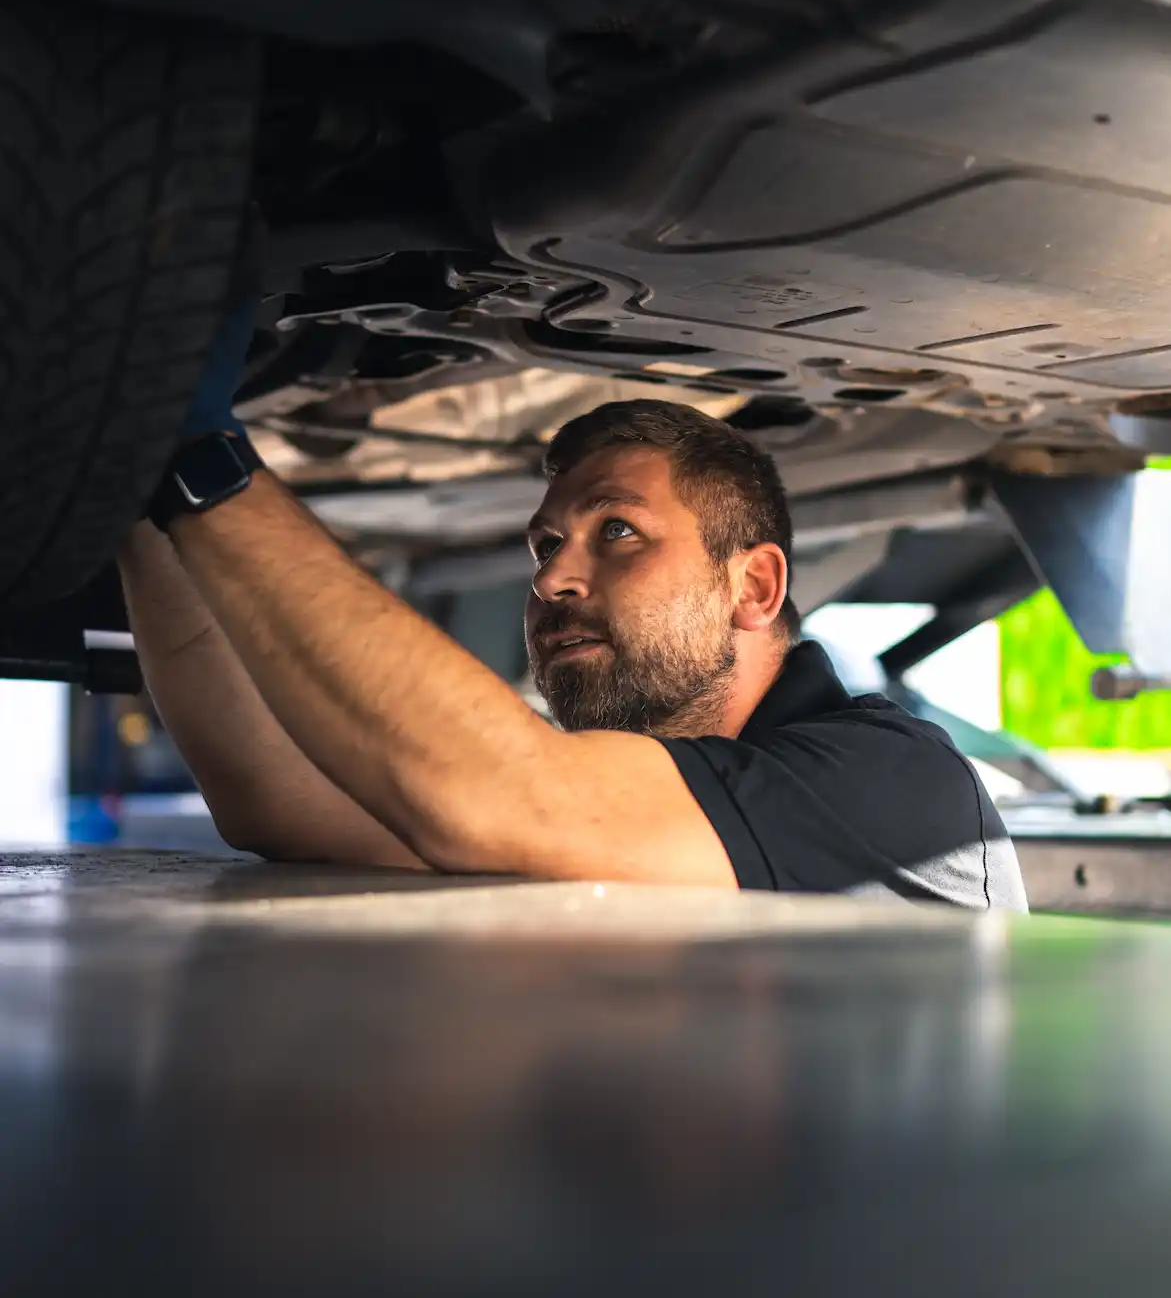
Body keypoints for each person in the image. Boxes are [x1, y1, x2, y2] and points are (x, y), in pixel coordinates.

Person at [119, 301, 1026, 907]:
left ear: (753, 586)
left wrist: (207, 460)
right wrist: (137, 479)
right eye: (546, 545)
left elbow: (500, 794)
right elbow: (278, 800)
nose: (553, 578)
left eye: (618, 532)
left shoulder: (893, 781)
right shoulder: (637, 785)